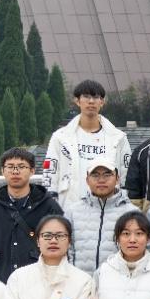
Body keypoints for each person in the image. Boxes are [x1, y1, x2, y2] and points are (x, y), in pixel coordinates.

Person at [0, 148, 63, 283]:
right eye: (10, 167)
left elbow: (61, 244)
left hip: (37, 281)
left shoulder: (49, 207)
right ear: (2, 171)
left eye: (21, 167)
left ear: (32, 171)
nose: (15, 171)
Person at [43, 80, 132, 209]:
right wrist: (52, 209)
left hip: (109, 209)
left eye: (95, 97)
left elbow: (126, 175)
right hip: (69, 208)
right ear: (77, 101)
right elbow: (50, 174)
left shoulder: (119, 138)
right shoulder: (60, 137)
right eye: (86, 96)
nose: (91, 101)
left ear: (102, 102)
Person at [62, 155, 138, 274]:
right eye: (95, 175)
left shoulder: (132, 213)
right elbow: (66, 250)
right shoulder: (72, 212)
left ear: (117, 179)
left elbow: (138, 253)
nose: (101, 180)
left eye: (107, 175)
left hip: (118, 282)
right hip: (80, 282)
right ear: (87, 180)